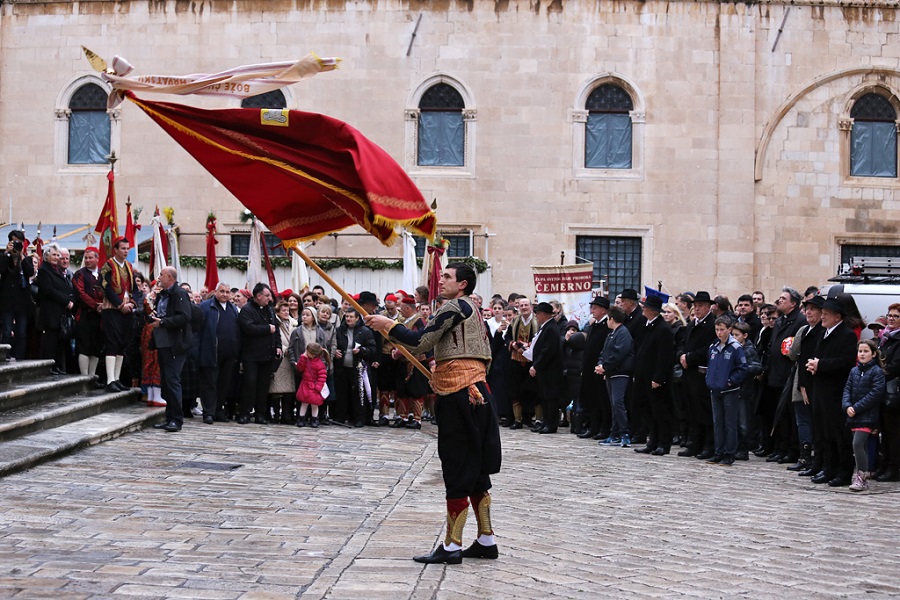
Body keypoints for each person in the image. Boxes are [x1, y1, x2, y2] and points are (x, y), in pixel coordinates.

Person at [366, 263, 501, 565]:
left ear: (463, 284)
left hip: (461, 396)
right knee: (476, 469)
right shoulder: (474, 311)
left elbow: (421, 339)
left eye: (448, 277)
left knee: (456, 466)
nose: (441, 280)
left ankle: (452, 546)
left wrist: (386, 325)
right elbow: (479, 354)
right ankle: (486, 539)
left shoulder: (453, 306)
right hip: (478, 391)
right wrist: (442, 365)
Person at [806, 295, 858, 487]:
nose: (823, 317)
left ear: (838, 316)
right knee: (823, 432)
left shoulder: (847, 335)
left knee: (838, 434)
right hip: (821, 388)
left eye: (827, 314)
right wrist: (813, 365)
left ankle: (843, 472)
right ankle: (828, 468)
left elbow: (846, 362)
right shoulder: (824, 333)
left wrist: (821, 365)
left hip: (836, 391)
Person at [148, 267, 193, 432]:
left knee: (173, 380)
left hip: (176, 344)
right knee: (166, 382)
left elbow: (185, 317)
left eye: (161, 275)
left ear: (169, 277)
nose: (159, 277)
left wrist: (163, 322)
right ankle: (169, 417)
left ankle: (177, 419)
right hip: (163, 343)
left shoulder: (179, 294)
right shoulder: (162, 294)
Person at [632, 295, 676, 456]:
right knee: (647, 410)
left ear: (652, 310)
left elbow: (664, 356)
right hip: (643, 375)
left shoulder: (663, 328)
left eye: (645, 307)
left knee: (660, 411)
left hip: (656, 379)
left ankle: (664, 443)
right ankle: (653, 441)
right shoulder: (646, 325)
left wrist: (658, 377)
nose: (643, 309)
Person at [705, 316, 749, 466]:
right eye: (717, 330)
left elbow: (743, 368)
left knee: (729, 423)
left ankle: (729, 453)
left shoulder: (736, 347)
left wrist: (730, 381)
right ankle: (719, 451)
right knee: (718, 422)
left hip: (729, 390)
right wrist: (709, 380)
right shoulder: (713, 346)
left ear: (729, 330)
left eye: (722, 330)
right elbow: (711, 366)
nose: (719, 333)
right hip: (715, 389)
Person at [678, 290, 717, 459]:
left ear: (708, 307)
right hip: (689, 372)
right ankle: (693, 443)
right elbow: (682, 343)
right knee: (691, 409)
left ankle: (708, 445)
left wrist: (690, 357)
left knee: (704, 410)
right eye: (695, 306)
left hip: (702, 372)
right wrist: (681, 355)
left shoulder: (711, 324)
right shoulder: (692, 324)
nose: (697, 309)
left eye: (700, 306)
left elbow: (709, 348)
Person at [843, 338, 886, 491]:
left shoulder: (877, 372)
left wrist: (856, 407)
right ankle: (864, 474)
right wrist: (847, 405)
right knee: (860, 446)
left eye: (866, 351)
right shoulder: (854, 371)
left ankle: (861, 476)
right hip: (854, 415)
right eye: (860, 351)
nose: (862, 354)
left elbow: (875, 394)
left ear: (873, 354)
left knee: (857, 444)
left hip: (867, 416)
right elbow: (847, 389)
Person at [197, 282, 241, 424]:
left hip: (229, 354)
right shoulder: (205, 307)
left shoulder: (233, 308)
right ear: (216, 291)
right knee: (209, 383)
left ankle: (218, 410)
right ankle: (208, 412)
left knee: (224, 384)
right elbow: (198, 330)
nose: (225, 294)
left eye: (228, 292)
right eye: (222, 291)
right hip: (211, 352)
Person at [237, 283, 280, 425]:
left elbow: (276, 330)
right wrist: (267, 329)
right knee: (249, 385)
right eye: (267, 296)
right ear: (259, 296)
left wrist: (278, 346)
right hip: (251, 355)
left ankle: (261, 414)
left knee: (263, 386)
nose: (270, 298)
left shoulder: (270, 310)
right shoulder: (247, 310)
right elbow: (248, 328)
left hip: (267, 355)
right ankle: (244, 413)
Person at [99, 237, 137, 392]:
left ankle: (117, 378)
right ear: (115, 250)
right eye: (123, 248)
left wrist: (131, 304)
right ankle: (109, 380)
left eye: (127, 248)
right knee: (112, 342)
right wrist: (120, 305)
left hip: (127, 308)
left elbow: (133, 288)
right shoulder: (108, 266)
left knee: (122, 343)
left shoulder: (129, 266)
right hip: (112, 308)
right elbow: (105, 287)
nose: (126, 251)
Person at [595, 306, 634, 447]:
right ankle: (615, 433)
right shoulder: (612, 334)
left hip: (620, 372)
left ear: (611, 319)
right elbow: (604, 352)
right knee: (613, 404)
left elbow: (619, 353)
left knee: (618, 403)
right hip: (612, 373)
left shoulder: (623, 333)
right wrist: (601, 365)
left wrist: (605, 366)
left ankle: (624, 433)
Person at [333, 309, 377, 426]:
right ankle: (341, 417)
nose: (348, 319)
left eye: (351, 317)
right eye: (347, 316)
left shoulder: (365, 331)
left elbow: (372, 349)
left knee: (358, 395)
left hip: (358, 368)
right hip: (342, 367)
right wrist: (334, 352)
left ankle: (359, 418)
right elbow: (332, 345)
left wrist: (361, 350)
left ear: (357, 318)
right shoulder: (339, 331)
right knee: (342, 393)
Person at [577, 297, 612, 440]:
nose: (592, 311)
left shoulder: (606, 326)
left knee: (601, 400)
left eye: (595, 308)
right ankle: (593, 426)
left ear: (603, 310)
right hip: (589, 368)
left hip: (599, 368)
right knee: (591, 399)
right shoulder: (594, 325)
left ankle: (604, 428)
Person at [35, 244, 74, 375]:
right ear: (46, 256)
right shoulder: (44, 270)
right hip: (50, 312)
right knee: (50, 341)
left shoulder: (57, 270)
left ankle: (57, 365)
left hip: (60, 312)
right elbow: (48, 290)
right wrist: (65, 300)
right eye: (54, 255)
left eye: (58, 255)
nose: (57, 257)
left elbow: (65, 287)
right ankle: (49, 366)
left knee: (58, 341)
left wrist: (70, 299)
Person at [526, 302, 563, 434]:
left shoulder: (551, 328)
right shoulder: (546, 327)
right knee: (544, 397)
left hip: (550, 370)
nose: (536, 316)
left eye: (538, 314)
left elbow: (547, 351)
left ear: (544, 314)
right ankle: (546, 422)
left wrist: (536, 365)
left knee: (550, 397)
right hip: (545, 370)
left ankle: (551, 424)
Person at [0, 230, 35, 361]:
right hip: (7, 300)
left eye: (19, 243)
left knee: (21, 332)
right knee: (7, 331)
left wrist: (21, 256)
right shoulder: (4, 256)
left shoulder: (26, 259)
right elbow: (2, 268)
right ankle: (4, 356)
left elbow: (30, 272)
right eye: (14, 242)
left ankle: (20, 357)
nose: (16, 245)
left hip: (22, 301)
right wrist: (7, 253)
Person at [72, 246, 105, 381]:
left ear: (97, 258)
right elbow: (80, 293)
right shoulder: (79, 274)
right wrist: (95, 305)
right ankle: (84, 378)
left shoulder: (103, 274)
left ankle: (92, 377)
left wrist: (105, 305)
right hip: (85, 314)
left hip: (101, 316)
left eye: (90, 257)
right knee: (84, 346)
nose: (87, 260)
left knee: (96, 346)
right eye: (86, 258)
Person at [875, 303, 900, 482]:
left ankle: (893, 467)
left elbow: (895, 366)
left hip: (894, 392)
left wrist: (877, 373)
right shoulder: (884, 338)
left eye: (896, 316)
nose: (891, 318)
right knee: (883, 429)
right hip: (882, 390)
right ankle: (883, 464)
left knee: (893, 432)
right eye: (889, 315)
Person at [269, 300, 298, 424]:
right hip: (280, 359)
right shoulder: (275, 323)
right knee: (276, 389)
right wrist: (284, 349)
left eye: (287, 310)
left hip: (291, 359)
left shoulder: (294, 323)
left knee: (289, 389)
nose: (286, 312)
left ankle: (287, 414)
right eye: (283, 310)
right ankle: (276, 413)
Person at [296, 341, 328, 428]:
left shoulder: (320, 364)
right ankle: (301, 419)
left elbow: (322, 377)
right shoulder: (306, 360)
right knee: (304, 403)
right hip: (305, 385)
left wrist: (318, 387)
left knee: (314, 405)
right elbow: (299, 368)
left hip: (314, 387)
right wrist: (303, 357)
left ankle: (314, 419)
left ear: (313, 354)